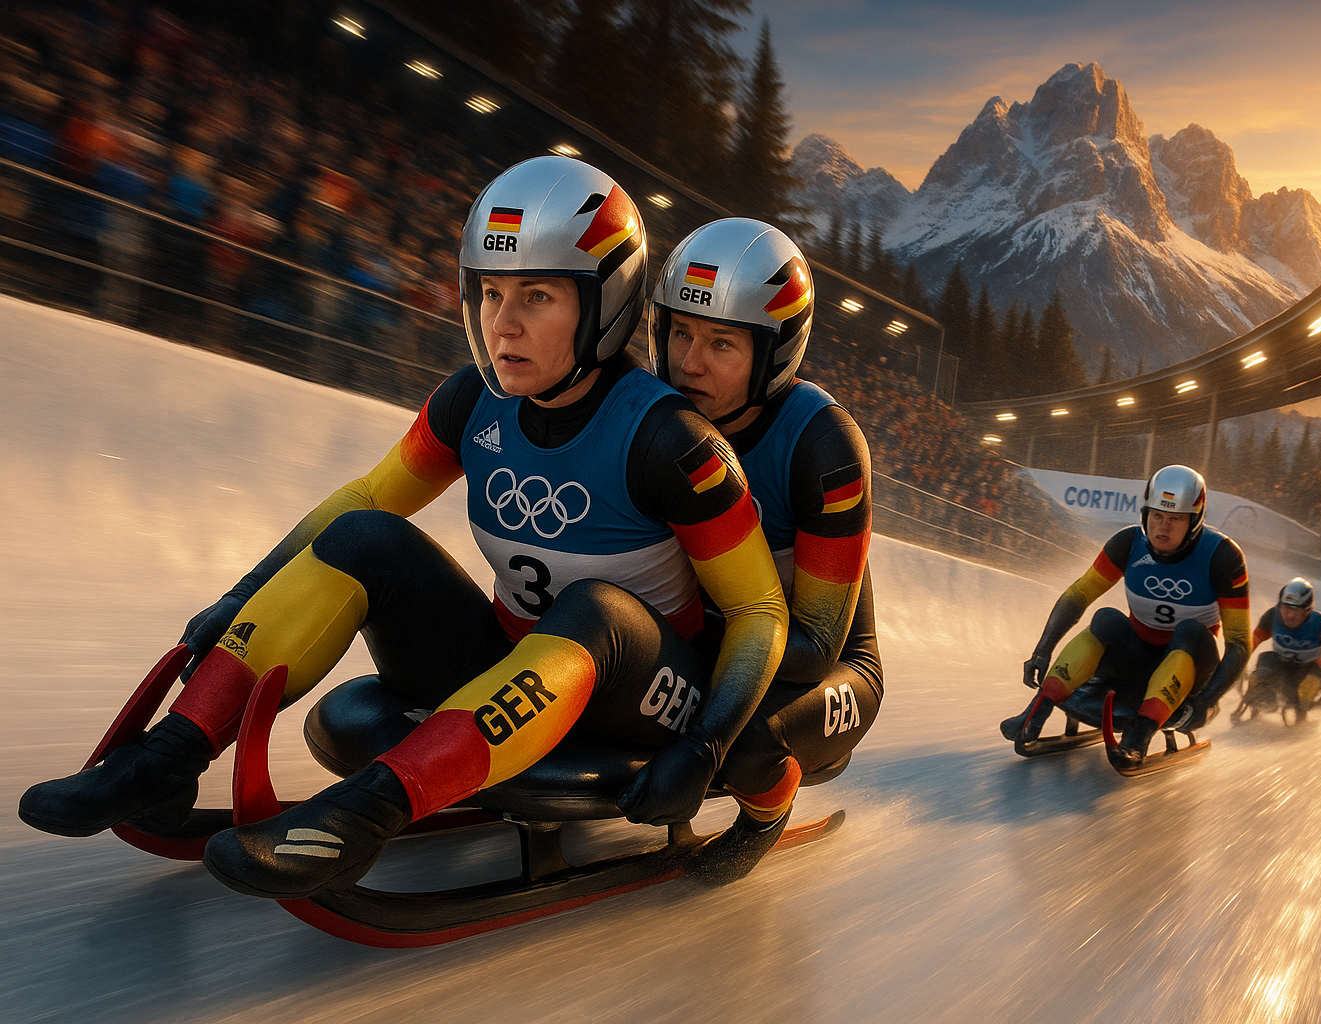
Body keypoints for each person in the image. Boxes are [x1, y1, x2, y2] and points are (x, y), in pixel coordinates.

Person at [19, 156, 790, 899]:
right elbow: (366, 496)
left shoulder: (674, 444)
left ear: (605, 302)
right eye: (490, 294)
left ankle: (367, 814)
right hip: (521, 661)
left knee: (595, 609)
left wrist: (708, 743)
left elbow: (759, 611)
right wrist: (244, 594)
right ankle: (168, 754)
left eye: (537, 298)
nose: (503, 326)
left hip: (647, 693)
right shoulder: (471, 402)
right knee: (364, 539)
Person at [648, 218, 881, 880]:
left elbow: (815, 646)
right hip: (727, 637)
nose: (689, 363)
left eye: (722, 343)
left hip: (829, 665)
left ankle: (766, 808)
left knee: (744, 738)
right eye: (681, 333)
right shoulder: (653, 413)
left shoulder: (825, 446)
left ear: (775, 354)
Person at [999, 465, 1251, 770]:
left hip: (1191, 668)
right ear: (1145, 513)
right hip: (1138, 656)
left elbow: (1239, 642)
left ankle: (1140, 738)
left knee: (1190, 631)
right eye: (1157, 515)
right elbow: (1079, 594)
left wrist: (1207, 700)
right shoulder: (1127, 543)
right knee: (1107, 618)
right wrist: (1042, 650)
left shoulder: (1224, 557)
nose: (1163, 527)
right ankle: (1036, 711)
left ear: (1194, 521)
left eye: (1175, 519)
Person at [1238, 577, 1321, 723]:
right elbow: (1248, 646)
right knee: (1260, 672)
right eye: (1286, 608)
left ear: (1307, 611)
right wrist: (1239, 670)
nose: (1290, 615)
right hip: (1281, 666)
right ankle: (1253, 710)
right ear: (1280, 605)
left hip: (1309, 670)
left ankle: (1300, 718)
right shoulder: (1271, 616)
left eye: (1296, 610)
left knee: (1309, 684)